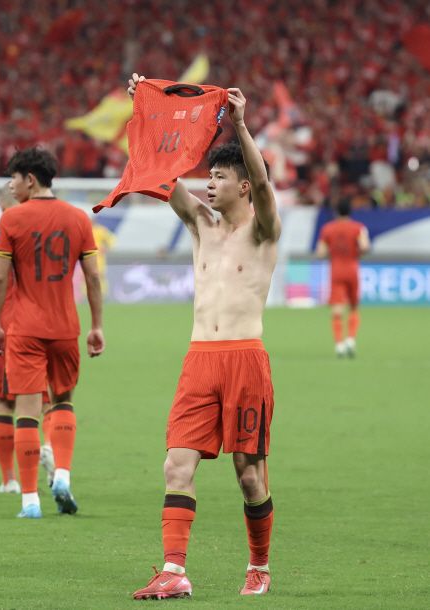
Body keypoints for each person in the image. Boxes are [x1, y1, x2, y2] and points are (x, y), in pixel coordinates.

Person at [128, 74, 281, 599]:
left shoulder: (262, 230)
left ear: (243, 186)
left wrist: (240, 125)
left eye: (219, 177)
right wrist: (145, 111)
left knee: (249, 475)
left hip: (245, 358)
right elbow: (161, 174)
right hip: (199, 359)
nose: (209, 184)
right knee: (176, 462)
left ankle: (259, 565)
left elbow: (265, 186)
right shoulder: (199, 225)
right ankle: (174, 571)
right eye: (208, 175)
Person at [0, 148, 105, 518]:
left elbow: (0, 280)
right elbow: (93, 277)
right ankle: (64, 476)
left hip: (25, 329)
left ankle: (30, 501)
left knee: (26, 413)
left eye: (14, 178)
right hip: (65, 327)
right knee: (63, 401)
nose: (11, 184)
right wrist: (97, 326)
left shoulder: (12, 219)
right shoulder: (78, 218)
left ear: (30, 179)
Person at [0, 185, 54, 492]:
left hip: (7, 328)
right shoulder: (43, 236)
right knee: (46, 399)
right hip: (46, 326)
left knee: (4, 401)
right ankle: (50, 448)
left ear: (1, 207)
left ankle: (9, 479)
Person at [315, 199, 370, 357]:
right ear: (350, 212)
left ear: (336, 212)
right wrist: (357, 252)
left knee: (337, 309)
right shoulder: (358, 227)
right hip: (352, 269)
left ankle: (339, 344)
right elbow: (365, 246)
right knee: (353, 306)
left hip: (336, 271)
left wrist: (332, 251)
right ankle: (350, 340)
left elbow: (320, 253)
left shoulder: (327, 228)